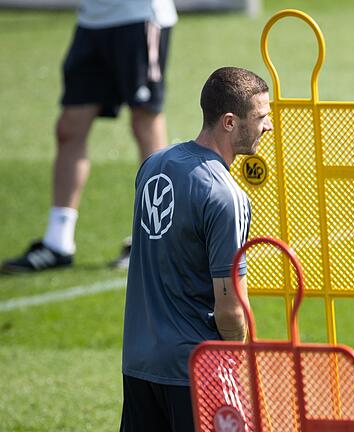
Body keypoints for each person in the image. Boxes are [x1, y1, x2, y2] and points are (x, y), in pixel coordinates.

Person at [120, 67, 272, 431]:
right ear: (230, 122)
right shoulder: (225, 195)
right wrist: (234, 358)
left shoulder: (153, 166)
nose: (268, 127)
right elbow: (230, 306)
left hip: (139, 362)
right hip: (197, 371)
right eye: (262, 117)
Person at [1, 0, 177, 273]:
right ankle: (57, 242)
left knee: (144, 121)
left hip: (139, 15)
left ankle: (155, 239)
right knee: (69, 126)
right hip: (93, 18)